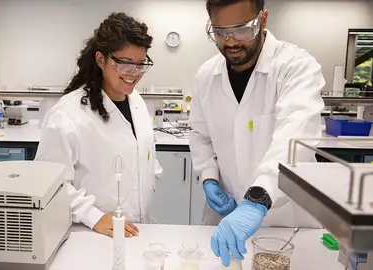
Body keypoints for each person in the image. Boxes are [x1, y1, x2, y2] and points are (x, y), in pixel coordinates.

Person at [189, 0, 325, 266]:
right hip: (226, 216)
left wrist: (257, 199)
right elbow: (200, 135)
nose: (230, 42)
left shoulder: (295, 66)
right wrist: (208, 179)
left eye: (241, 29)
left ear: (263, 19)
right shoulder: (206, 76)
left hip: (284, 221)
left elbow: (295, 138)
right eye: (219, 31)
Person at [35, 12, 162, 238]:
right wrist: (93, 216)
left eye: (141, 64)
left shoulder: (137, 102)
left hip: (136, 229)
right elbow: (48, 183)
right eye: (125, 63)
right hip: (92, 233)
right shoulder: (68, 115)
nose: (135, 73)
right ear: (101, 59)